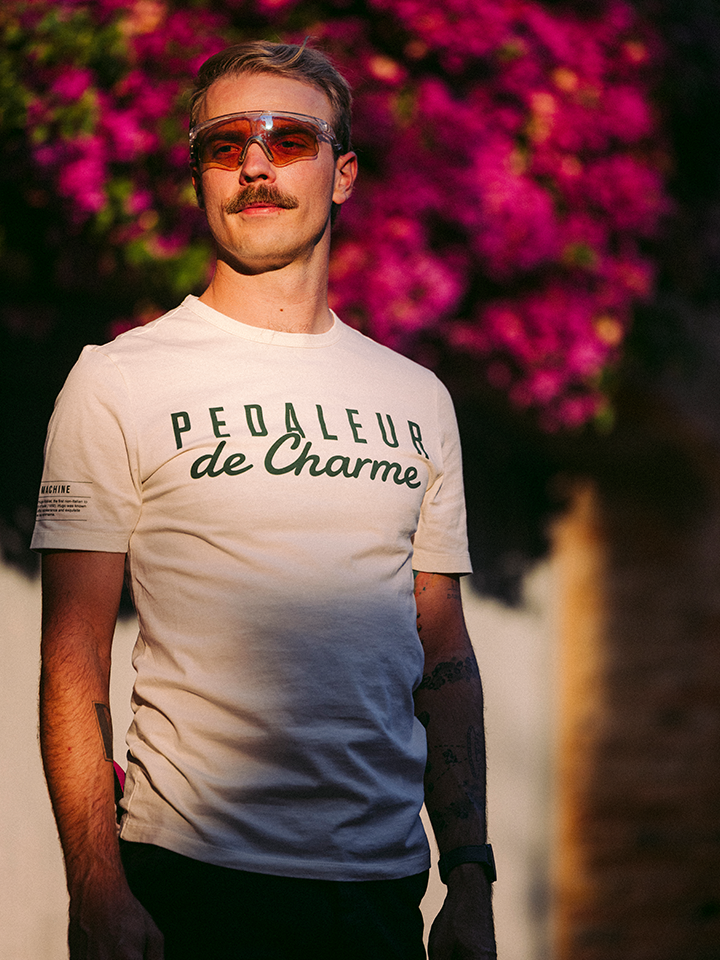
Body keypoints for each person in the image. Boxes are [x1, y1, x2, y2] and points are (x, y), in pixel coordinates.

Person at [32, 40, 497, 960]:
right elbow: (72, 656)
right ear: (199, 177)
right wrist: (95, 889)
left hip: (382, 892)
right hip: (191, 886)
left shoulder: (418, 398)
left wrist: (471, 880)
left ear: (343, 172)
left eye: (288, 140)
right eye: (225, 143)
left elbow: (442, 651)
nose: (254, 164)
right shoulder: (117, 380)